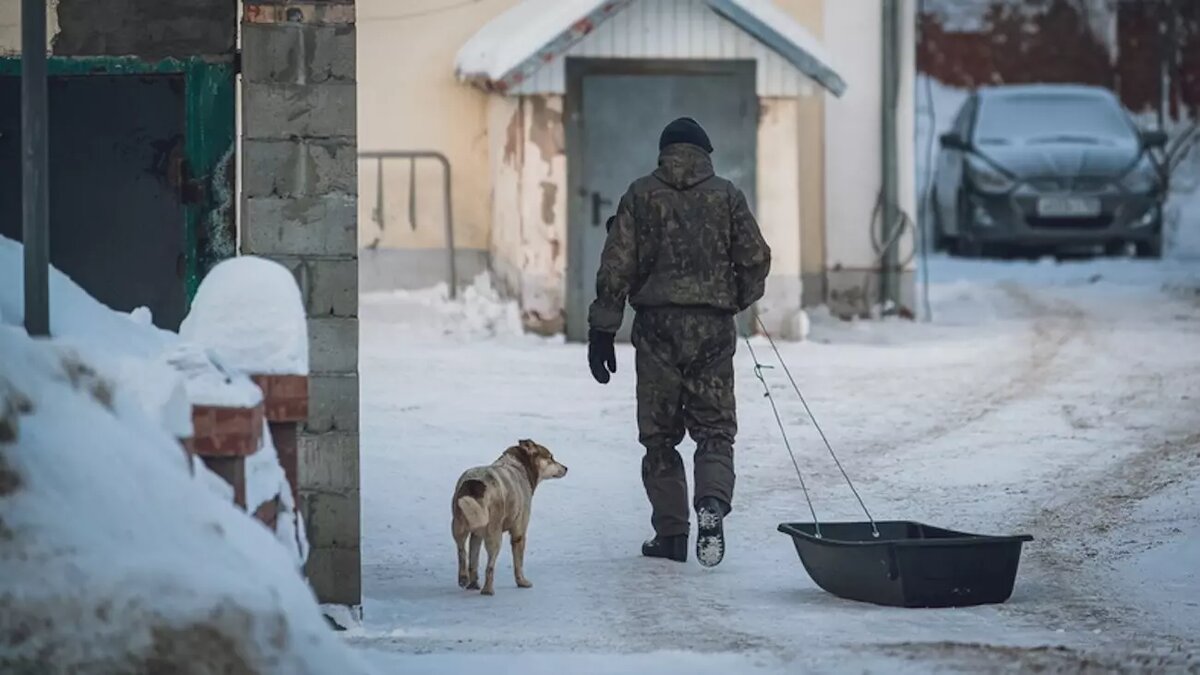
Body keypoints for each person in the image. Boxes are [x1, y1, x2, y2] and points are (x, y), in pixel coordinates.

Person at [586, 117, 772, 567]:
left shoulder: (640, 195)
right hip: (712, 327)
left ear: (664, 154)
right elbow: (756, 258)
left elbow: (616, 267)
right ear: (705, 153)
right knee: (714, 430)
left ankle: (670, 535)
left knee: (660, 437)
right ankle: (710, 504)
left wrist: (602, 330)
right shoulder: (726, 195)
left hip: (657, 328)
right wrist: (735, 299)